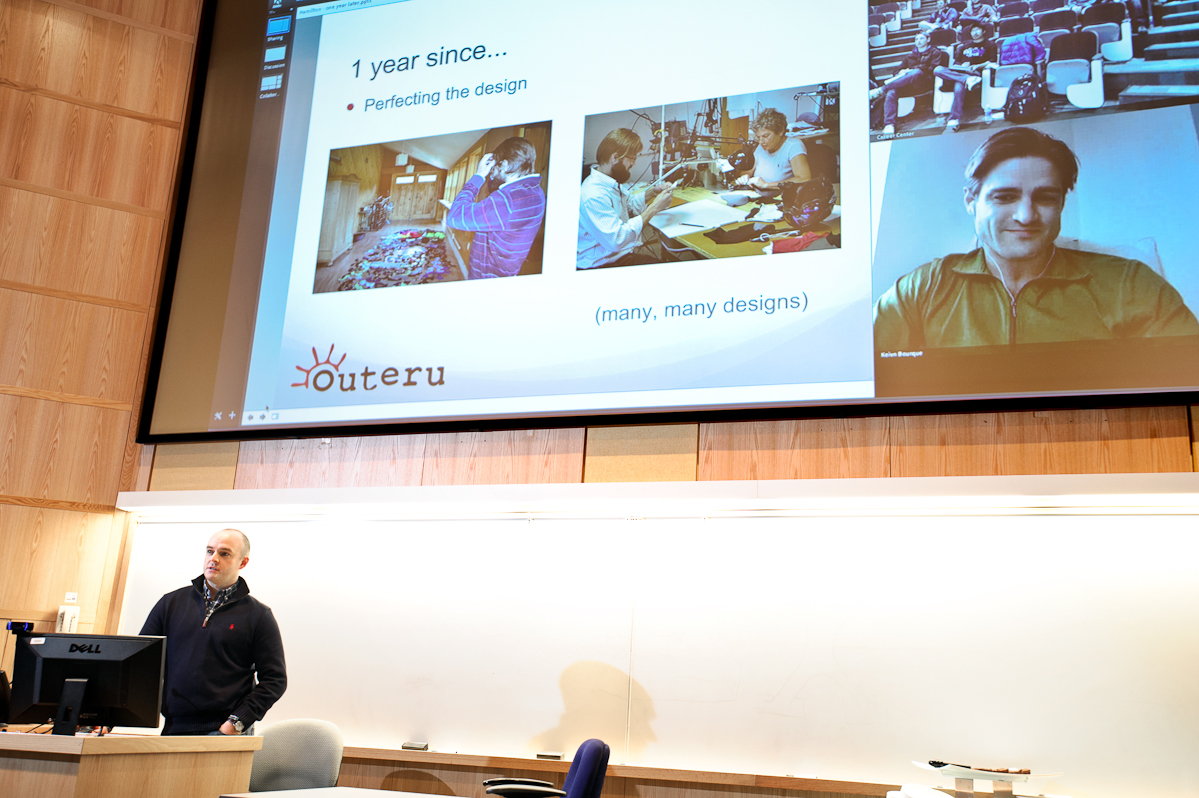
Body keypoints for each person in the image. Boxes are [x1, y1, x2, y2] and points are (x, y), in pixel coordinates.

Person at [874, 127, 1199, 350]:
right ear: (971, 202)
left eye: (1044, 198)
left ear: (1061, 204)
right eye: (1004, 197)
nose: (1026, 216)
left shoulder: (1131, 284)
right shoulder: (919, 291)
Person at [141, 529, 287, 736]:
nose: (214, 559)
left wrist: (236, 723)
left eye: (224, 554)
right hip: (174, 728)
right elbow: (141, 663)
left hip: (224, 733)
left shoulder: (258, 615)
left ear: (242, 563)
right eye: (210, 551)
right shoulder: (170, 603)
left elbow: (275, 680)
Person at [445, 136, 547, 279]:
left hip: (487, 276)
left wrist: (479, 175)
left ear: (504, 165)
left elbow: (454, 217)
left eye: (495, 166)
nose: (492, 170)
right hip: (508, 272)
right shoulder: (536, 192)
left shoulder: (506, 201)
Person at [577, 128, 675, 269]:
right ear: (615, 157)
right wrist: (654, 208)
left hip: (617, 257)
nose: (633, 163)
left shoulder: (609, 181)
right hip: (601, 265)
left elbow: (627, 207)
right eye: (632, 158)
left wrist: (651, 193)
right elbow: (617, 239)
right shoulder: (593, 194)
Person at [869, 31, 943, 136]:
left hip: (924, 82)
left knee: (916, 72)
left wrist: (910, 70)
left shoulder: (935, 52)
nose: (918, 41)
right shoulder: (910, 56)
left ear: (928, 39)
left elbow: (932, 68)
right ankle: (889, 124)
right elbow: (896, 71)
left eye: (921, 38)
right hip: (909, 86)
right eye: (916, 39)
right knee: (892, 91)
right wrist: (900, 72)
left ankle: (881, 90)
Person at [934, 22, 996, 132]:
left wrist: (977, 66)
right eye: (972, 31)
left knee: (958, 86)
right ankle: (967, 80)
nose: (975, 33)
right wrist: (961, 66)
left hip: (975, 73)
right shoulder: (964, 47)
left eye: (977, 30)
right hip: (961, 73)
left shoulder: (990, 44)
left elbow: (992, 62)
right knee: (937, 69)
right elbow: (956, 63)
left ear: (984, 31)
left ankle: (954, 119)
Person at [733, 108, 812, 191]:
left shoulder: (793, 146)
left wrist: (766, 185)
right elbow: (748, 171)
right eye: (758, 137)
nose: (761, 141)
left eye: (766, 136)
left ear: (780, 131)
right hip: (760, 196)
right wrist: (745, 177)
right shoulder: (762, 146)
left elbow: (804, 178)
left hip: (781, 198)